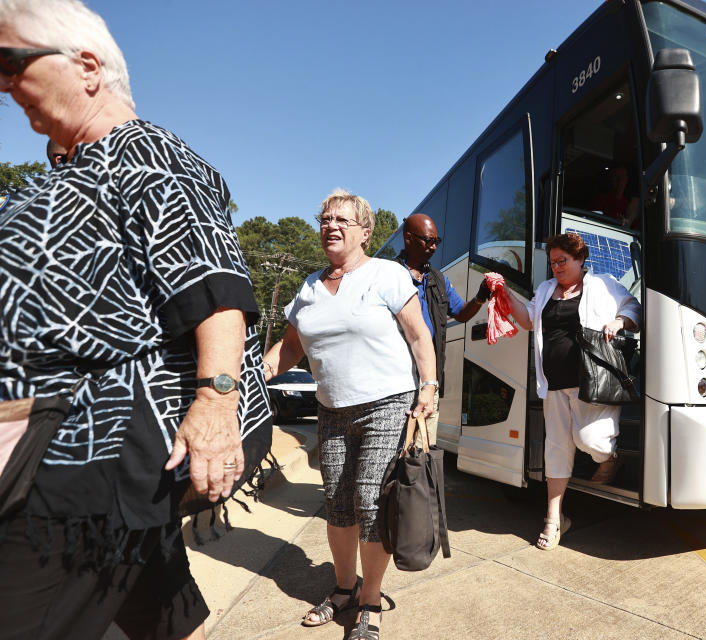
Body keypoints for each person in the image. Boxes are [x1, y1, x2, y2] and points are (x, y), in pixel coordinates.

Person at [0, 1, 272, 638]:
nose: (6, 86)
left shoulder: (143, 152)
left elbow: (215, 287)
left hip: (101, 455)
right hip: (105, 454)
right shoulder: (79, 167)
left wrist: (214, 408)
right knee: (157, 611)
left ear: (87, 66)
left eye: (11, 63)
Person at [263, 189, 437, 640]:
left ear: (365, 231)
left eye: (341, 219)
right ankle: (343, 588)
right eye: (324, 219)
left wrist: (429, 386)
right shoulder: (308, 287)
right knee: (338, 508)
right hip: (331, 409)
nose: (330, 226)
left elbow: (419, 336)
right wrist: (243, 374)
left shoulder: (387, 274)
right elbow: (290, 349)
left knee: (371, 501)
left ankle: (370, 601)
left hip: (386, 404)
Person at [500, 232, 641, 551]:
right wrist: (506, 292)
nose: (556, 268)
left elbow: (634, 308)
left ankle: (610, 459)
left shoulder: (603, 284)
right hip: (553, 385)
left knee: (589, 440)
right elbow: (527, 321)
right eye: (552, 263)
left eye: (562, 261)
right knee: (557, 449)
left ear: (580, 259)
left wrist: (619, 322)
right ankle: (554, 519)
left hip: (591, 381)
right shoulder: (546, 290)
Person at [398, 213, 489, 445]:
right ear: (408, 238)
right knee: (392, 452)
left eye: (437, 241)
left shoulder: (439, 279)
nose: (434, 246)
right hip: (395, 379)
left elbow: (461, 313)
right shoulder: (389, 275)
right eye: (428, 240)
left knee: (420, 452)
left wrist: (481, 296)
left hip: (428, 380)